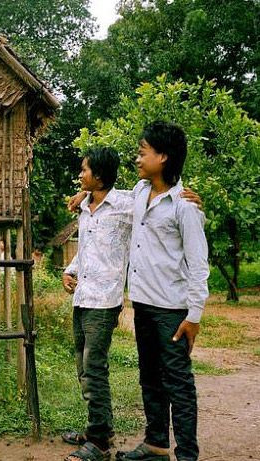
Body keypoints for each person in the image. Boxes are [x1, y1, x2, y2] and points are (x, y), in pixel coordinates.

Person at [116, 121, 209, 461]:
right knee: (150, 378)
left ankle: (187, 454)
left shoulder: (185, 207)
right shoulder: (140, 193)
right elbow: (118, 200)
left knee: (178, 384)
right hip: (143, 304)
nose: (138, 159)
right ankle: (156, 443)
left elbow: (199, 266)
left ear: (163, 157)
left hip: (172, 310)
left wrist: (194, 316)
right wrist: (87, 194)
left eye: (143, 153)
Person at [62, 145, 133, 461]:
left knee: (94, 367)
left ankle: (101, 444)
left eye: (85, 170)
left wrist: (184, 197)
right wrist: (70, 270)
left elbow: (158, 197)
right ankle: (97, 429)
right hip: (82, 297)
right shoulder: (86, 208)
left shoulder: (123, 205)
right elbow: (86, 249)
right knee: (83, 365)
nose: (80, 175)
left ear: (100, 175)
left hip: (104, 301)